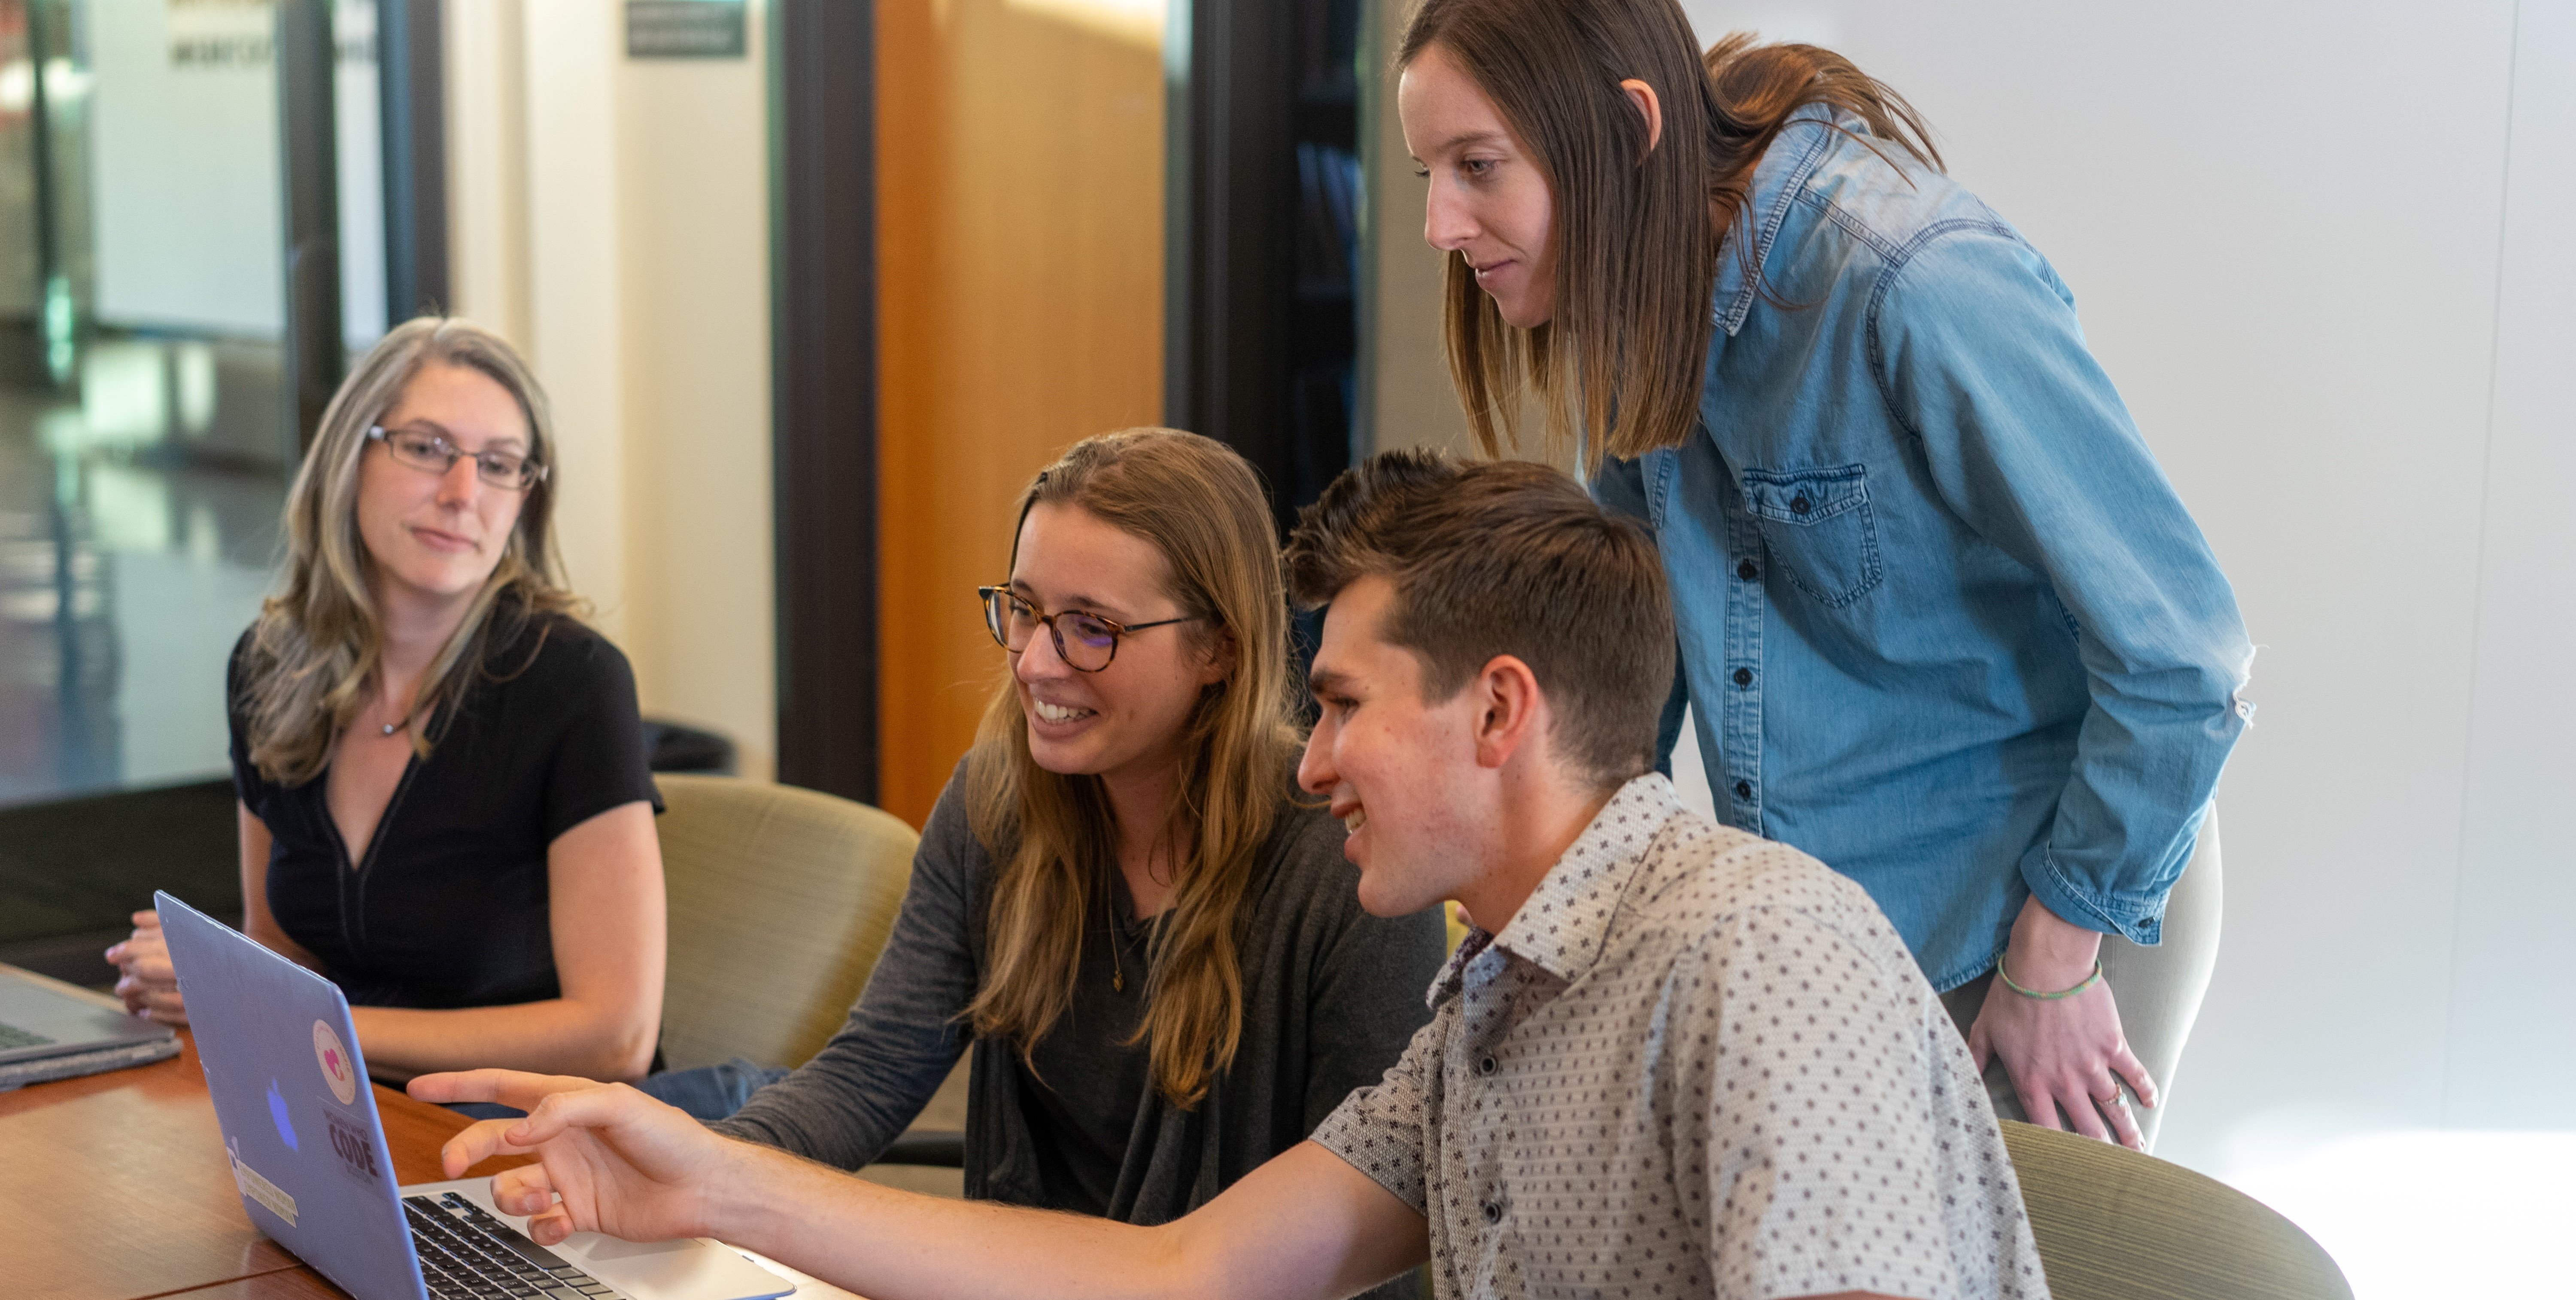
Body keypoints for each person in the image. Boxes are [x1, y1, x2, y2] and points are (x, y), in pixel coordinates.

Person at [412, 452, 2047, 1300]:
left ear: (1499, 710)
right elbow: (1186, 1268)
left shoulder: (1762, 943)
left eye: (1339, 708)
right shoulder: (1485, 1009)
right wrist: (707, 1175)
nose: (1310, 757)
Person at [1393, 0, 2252, 1150]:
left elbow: (2186, 654)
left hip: (2045, 918)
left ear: (1630, 127)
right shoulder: (1639, 314)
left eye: (1479, 167)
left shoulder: (1915, 282)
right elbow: (1623, 682)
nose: (1443, 223)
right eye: (1427, 175)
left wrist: (2052, 959)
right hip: (1835, 937)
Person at [632, 430, 1446, 1253]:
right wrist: (688, 1166)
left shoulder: (1346, 861)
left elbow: (1370, 1239)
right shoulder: (994, 803)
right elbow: (872, 1070)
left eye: (1092, 626)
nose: (1033, 663)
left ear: (1219, 646)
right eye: (1024, 609)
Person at [103, 317, 666, 1092]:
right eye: (427, 448)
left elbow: (616, 1038)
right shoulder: (268, 669)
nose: (462, 492)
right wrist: (201, 974)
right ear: (351, 458)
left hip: (531, 1146)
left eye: (499, 465)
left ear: (524, 501)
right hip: (345, 1110)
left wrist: (284, 1013)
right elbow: (284, 949)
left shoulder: (574, 681)